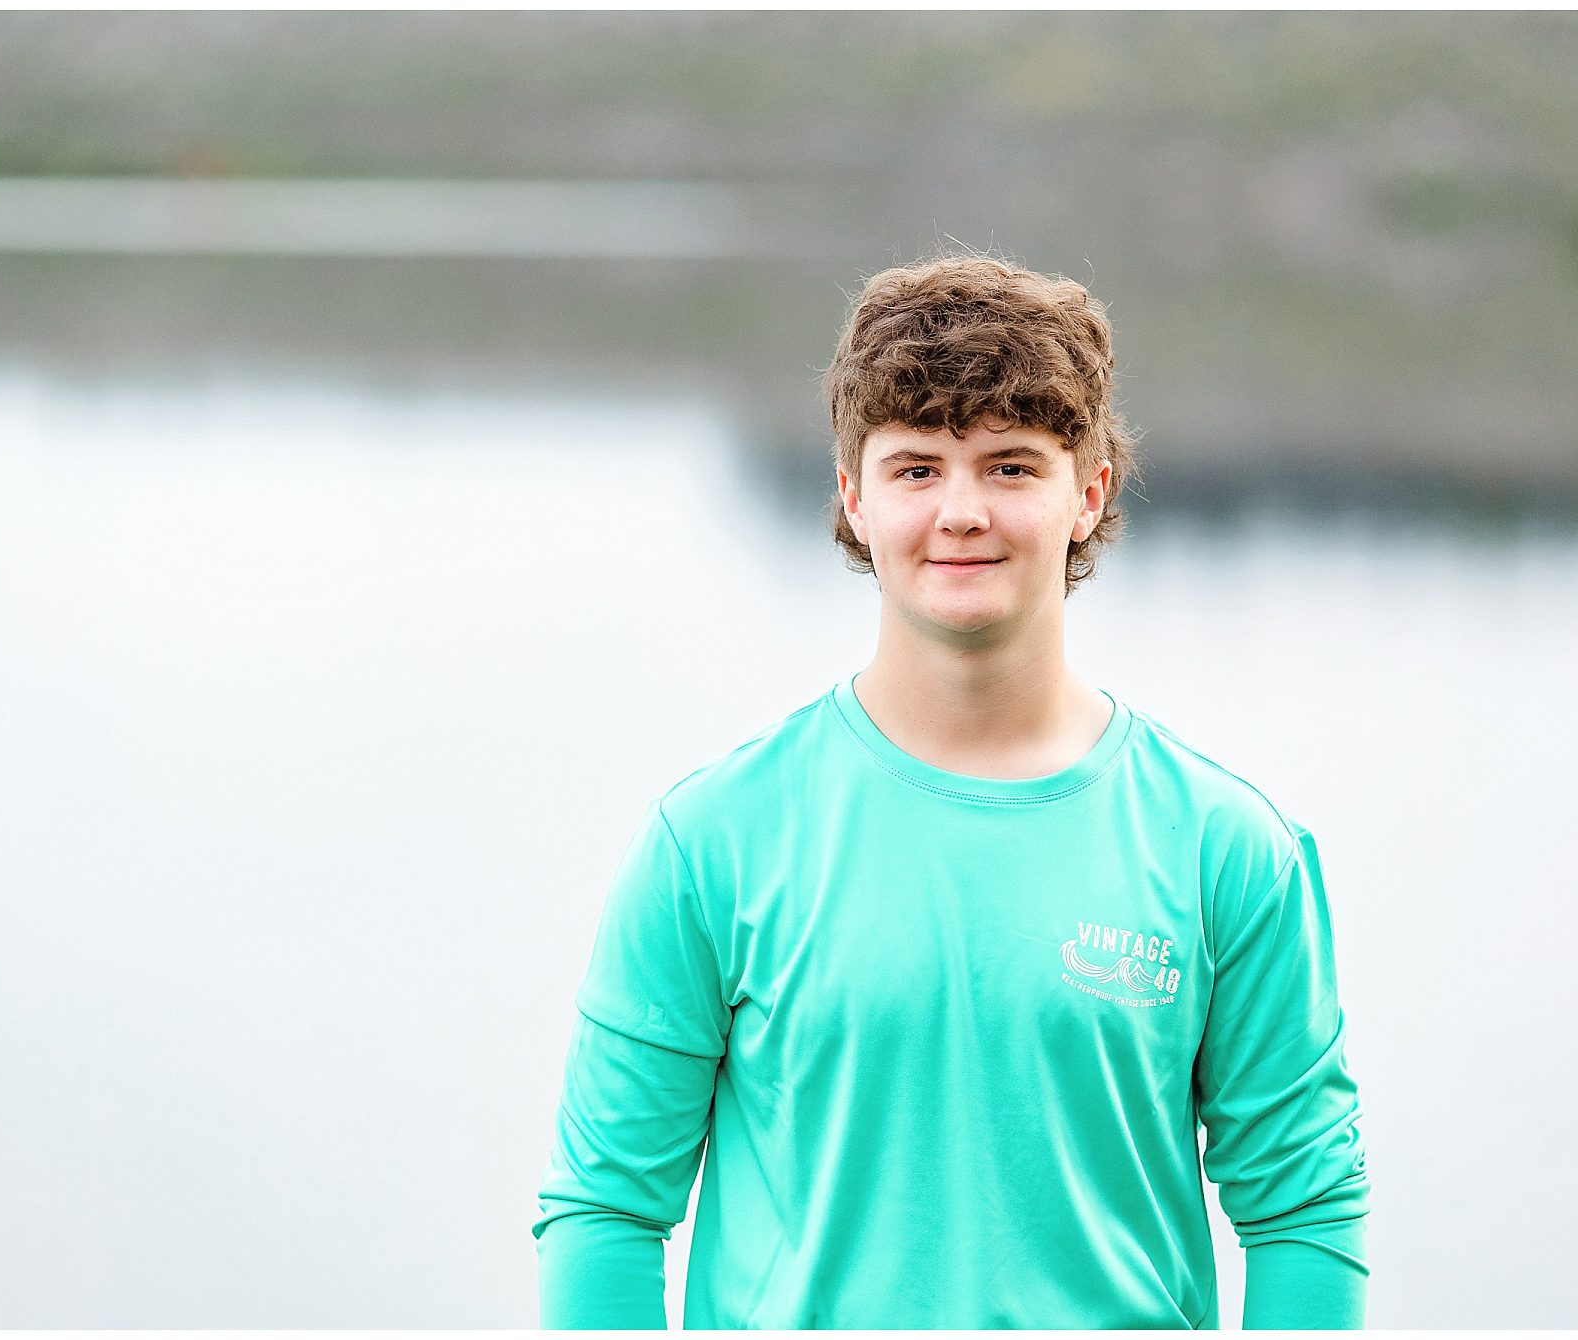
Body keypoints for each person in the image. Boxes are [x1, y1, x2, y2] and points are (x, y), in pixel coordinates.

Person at [532, 251, 1370, 1329]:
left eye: (1011, 466)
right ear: (854, 497)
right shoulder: (713, 842)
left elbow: (1303, 1210)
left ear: (1088, 493)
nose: (962, 511)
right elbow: (606, 1206)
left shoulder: (1225, 850)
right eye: (916, 468)